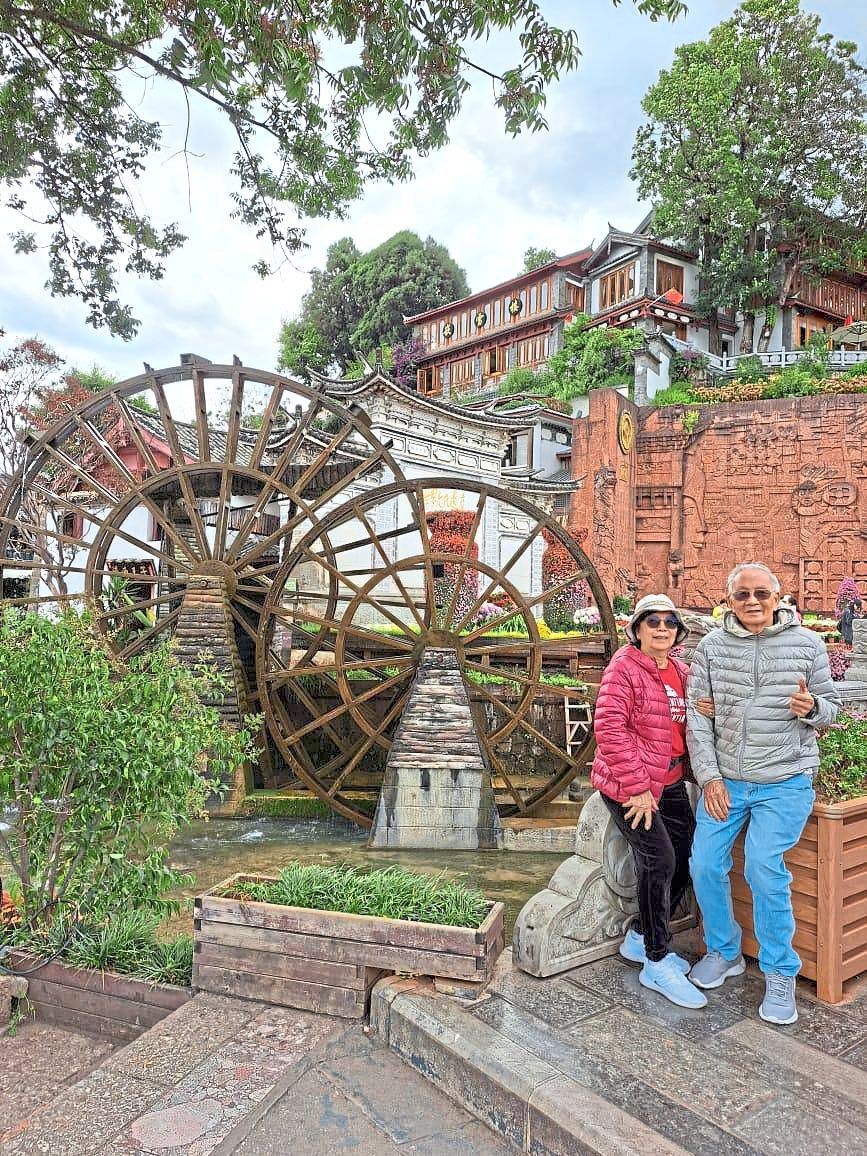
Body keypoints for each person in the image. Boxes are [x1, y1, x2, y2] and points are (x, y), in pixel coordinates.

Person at [686, 562, 840, 1025]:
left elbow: (833, 708)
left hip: (785, 781)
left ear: (778, 598)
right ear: (728, 601)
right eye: (742, 595)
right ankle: (725, 950)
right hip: (728, 781)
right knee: (704, 863)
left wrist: (812, 707)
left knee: (762, 865)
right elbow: (698, 717)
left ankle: (779, 972)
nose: (752, 602)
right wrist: (710, 778)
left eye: (761, 594)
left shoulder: (808, 644)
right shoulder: (711, 648)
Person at [591, 593, 708, 1009]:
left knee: (689, 857)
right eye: (652, 621)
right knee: (659, 860)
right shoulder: (623, 669)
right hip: (630, 785)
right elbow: (609, 728)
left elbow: (690, 714)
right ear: (637, 629)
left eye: (669, 622)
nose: (661, 628)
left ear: (678, 632)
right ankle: (656, 962)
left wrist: (704, 707)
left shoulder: (680, 670)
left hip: (673, 779)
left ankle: (640, 938)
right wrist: (638, 786)